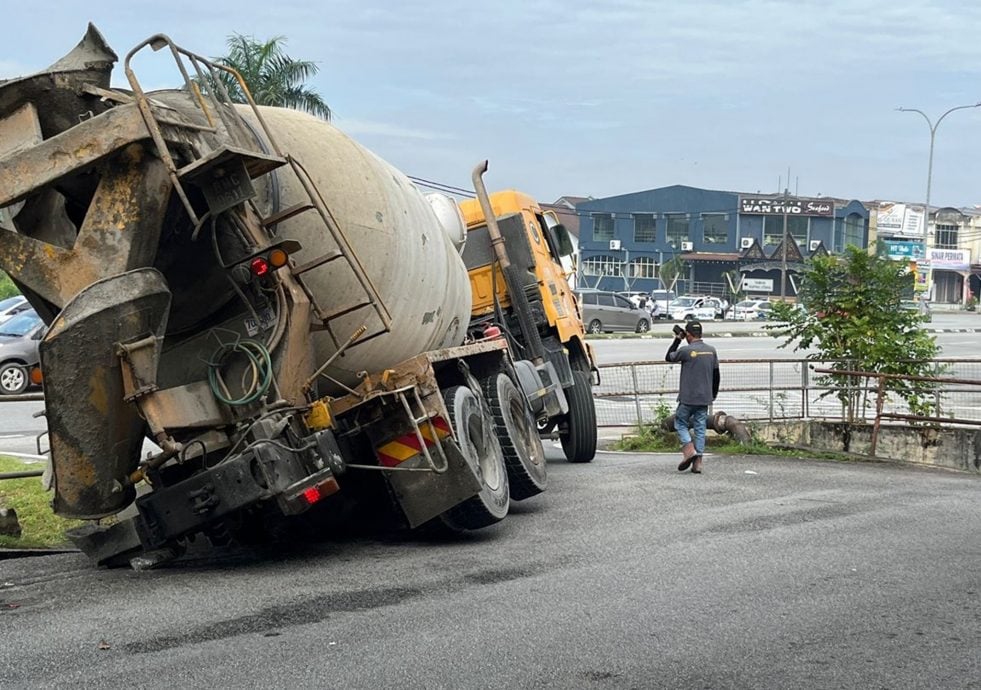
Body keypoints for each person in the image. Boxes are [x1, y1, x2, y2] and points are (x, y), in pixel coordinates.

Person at [664, 320, 720, 474]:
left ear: (688, 334)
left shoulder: (686, 351)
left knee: (680, 422)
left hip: (688, 398)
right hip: (704, 398)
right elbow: (716, 375)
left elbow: (669, 356)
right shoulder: (711, 351)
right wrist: (713, 393)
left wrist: (677, 339)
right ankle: (698, 462)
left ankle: (689, 449)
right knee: (700, 427)